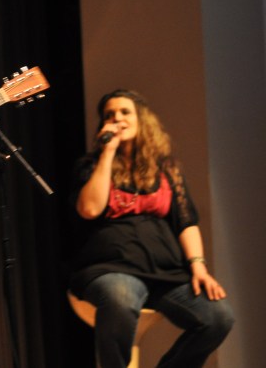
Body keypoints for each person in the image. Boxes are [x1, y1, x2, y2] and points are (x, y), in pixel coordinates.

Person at [68, 88, 234, 368]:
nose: (117, 119)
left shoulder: (166, 170)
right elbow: (90, 209)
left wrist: (199, 267)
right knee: (120, 300)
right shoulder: (91, 166)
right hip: (112, 269)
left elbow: (186, 222)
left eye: (125, 112)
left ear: (141, 120)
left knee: (218, 317)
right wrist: (107, 152)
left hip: (165, 273)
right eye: (109, 115)